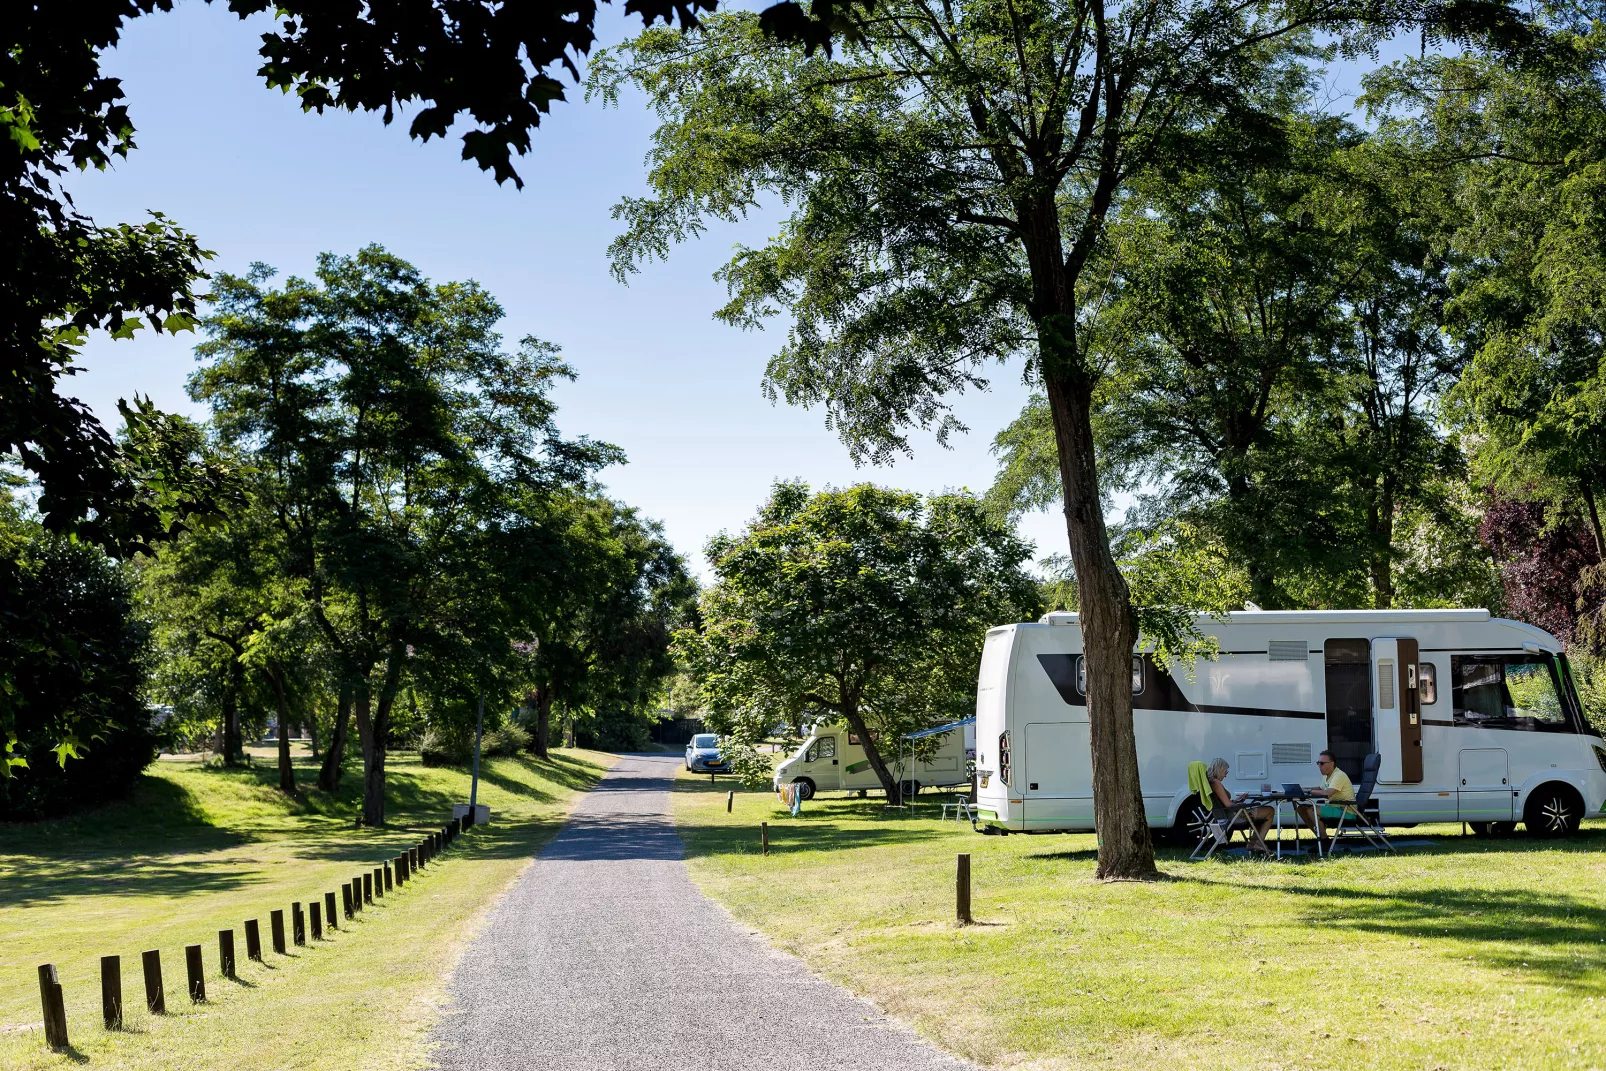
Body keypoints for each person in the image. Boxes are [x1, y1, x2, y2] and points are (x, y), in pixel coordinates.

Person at [1199, 757, 1274, 853]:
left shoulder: (1211, 782)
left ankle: (1253, 844)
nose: (1226, 775)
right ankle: (1257, 844)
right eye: (1225, 771)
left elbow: (1225, 803)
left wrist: (1237, 801)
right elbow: (1228, 805)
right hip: (1233, 815)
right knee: (1270, 811)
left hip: (1227, 813)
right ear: (1219, 769)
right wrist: (1240, 804)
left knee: (1263, 815)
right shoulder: (1216, 782)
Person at [1296, 750, 1355, 846]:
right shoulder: (1327, 776)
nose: (1319, 766)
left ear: (1331, 764)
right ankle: (1321, 838)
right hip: (1334, 807)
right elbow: (1320, 788)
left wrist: (1308, 791)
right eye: (1318, 763)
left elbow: (1327, 793)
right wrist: (1303, 788)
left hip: (1345, 810)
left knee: (1311, 811)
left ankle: (1324, 841)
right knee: (1301, 809)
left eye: (1322, 763)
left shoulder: (1339, 775)